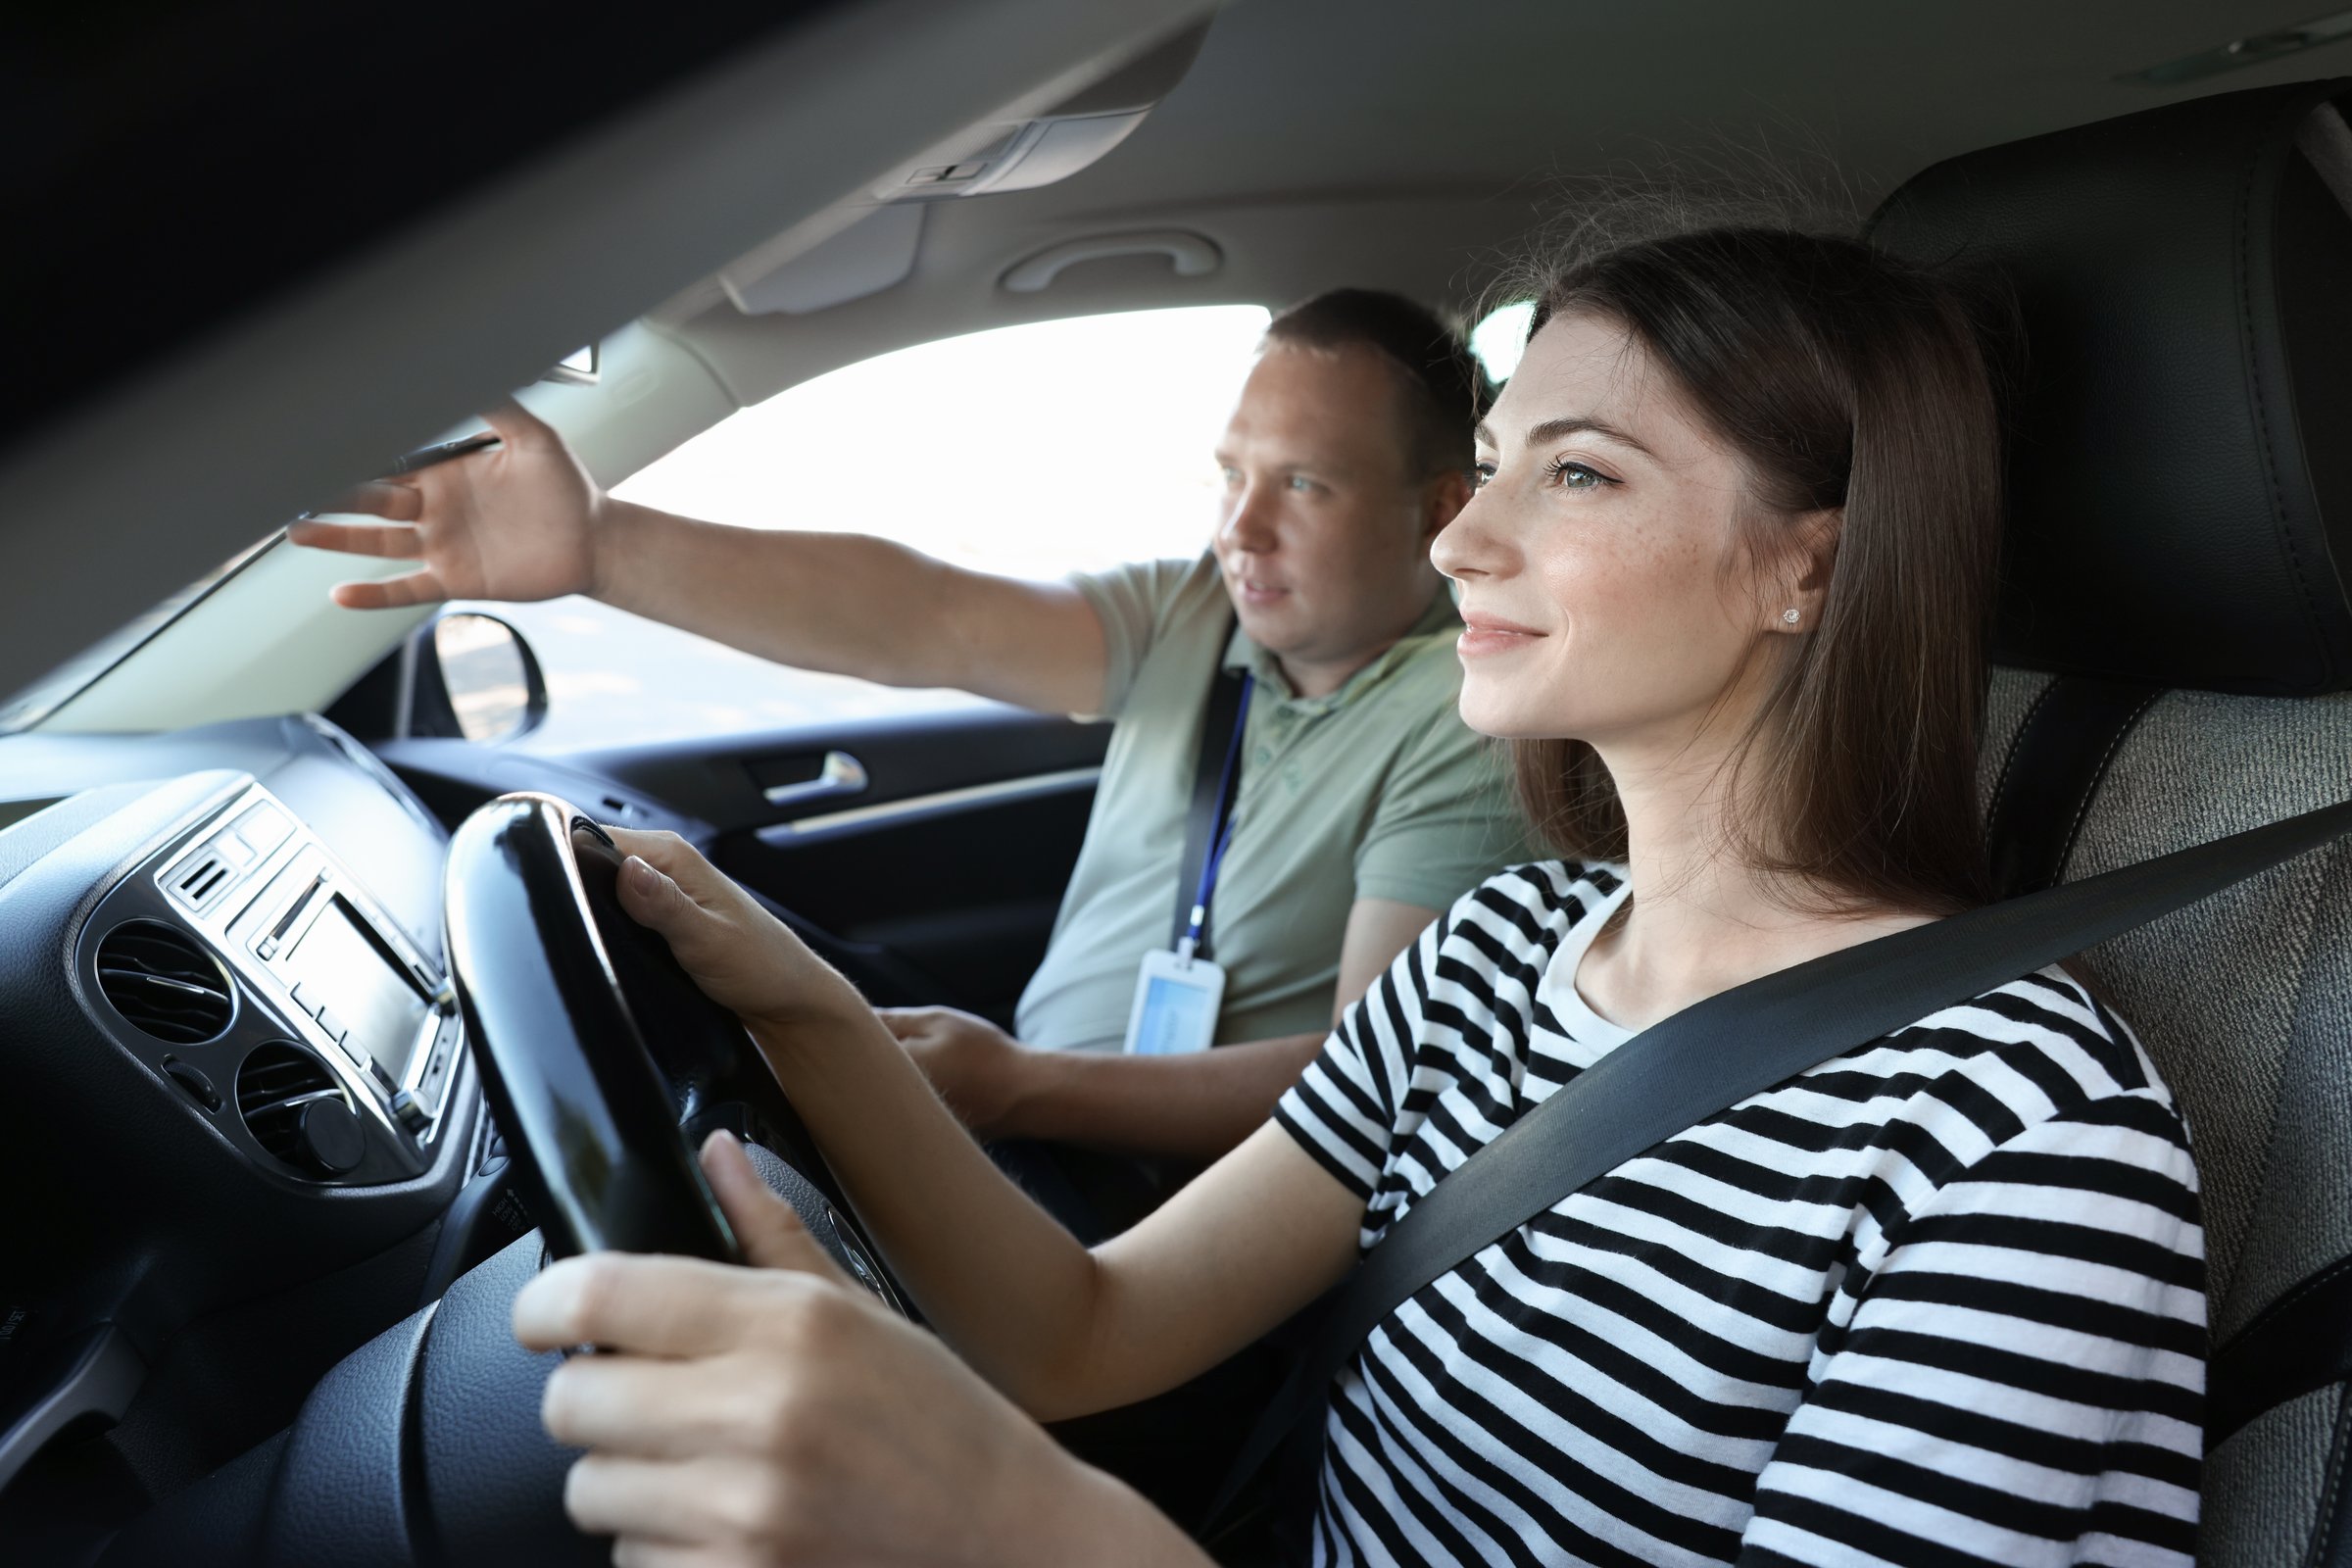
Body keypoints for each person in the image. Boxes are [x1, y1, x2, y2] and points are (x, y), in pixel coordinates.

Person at [510, 224, 2206, 1566]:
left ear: (1807, 566)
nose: (1463, 543)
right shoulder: (1495, 960)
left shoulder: (2020, 1136)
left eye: (1579, 474)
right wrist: (802, 1011)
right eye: (1495, 460)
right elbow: (1082, 1330)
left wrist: (1015, 1523)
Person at [290, 290, 1534, 1186]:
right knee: (671, 941)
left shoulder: (1466, 721)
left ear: (1441, 508)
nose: (1240, 528)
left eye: (1303, 484)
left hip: (1170, 1205)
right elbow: (924, 614)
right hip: (1034, 1110)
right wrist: (602, 549)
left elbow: (1365, 1087)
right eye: (1231, 474)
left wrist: (1020, 1086)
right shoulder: (1201, 612)